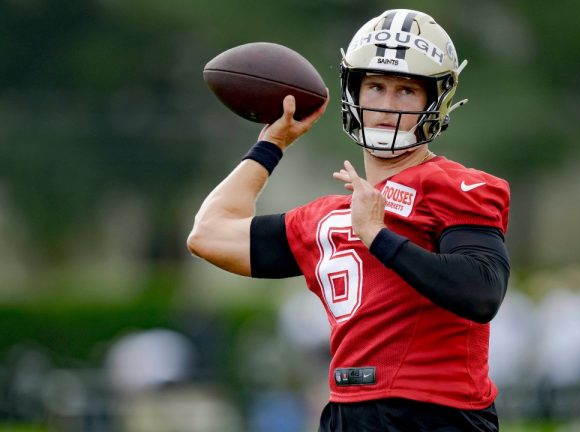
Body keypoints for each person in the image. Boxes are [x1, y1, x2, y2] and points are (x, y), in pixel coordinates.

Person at [188, 8, 511, 431]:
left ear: (436, 101)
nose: (386, 106)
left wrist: (378, 236)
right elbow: (208, 233)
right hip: (346, 412)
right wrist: (271, 144)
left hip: (435, 414)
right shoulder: (325, 217)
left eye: (406, 91)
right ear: (353, 94)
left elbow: (481, 291)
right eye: (375, 86)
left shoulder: (456, 186)